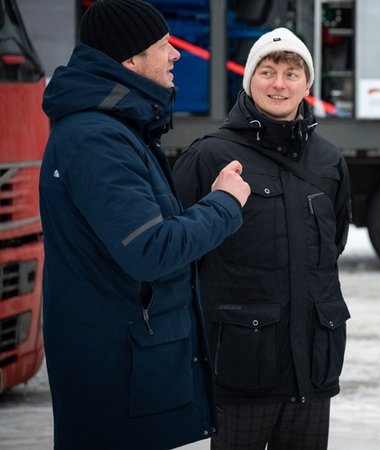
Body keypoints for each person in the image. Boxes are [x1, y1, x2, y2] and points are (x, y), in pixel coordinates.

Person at [39, 0, 251, 448]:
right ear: (130, 60)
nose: (176, 54)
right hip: (116, 374)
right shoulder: (98, 138)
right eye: (163, 45)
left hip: (125, 367)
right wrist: (224, 204)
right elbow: (150, 249)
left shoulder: (115, 128)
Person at [173, 27, 352, 450]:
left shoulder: (328, 160)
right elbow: (179, 251)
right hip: (241, 366)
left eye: (292, 73)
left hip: (312, 365)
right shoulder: (209, 156)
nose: (278, 83)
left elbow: (335, 243)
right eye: (267, 71)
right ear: (248, 79)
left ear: (307, 84)